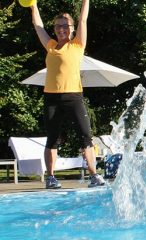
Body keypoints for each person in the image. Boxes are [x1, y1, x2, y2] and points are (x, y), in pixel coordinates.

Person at [30, 0, 105, 189]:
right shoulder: (51, 46)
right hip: (52, 98)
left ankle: (94, 176)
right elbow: (38, 26)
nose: (61, 29)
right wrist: (33, 6)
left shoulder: (78, 45)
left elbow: (83, 19)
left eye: (65, 26)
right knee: (52, 138)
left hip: (74, 96)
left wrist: (86, 1)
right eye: (58, 26)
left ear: (71, 28)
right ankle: (51, 178)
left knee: (86, 135)